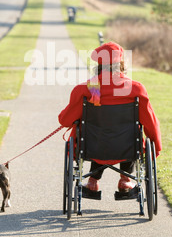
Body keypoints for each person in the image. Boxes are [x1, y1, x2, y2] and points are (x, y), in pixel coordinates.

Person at [58, 41, 162, 198]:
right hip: (127, 147)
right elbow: (150, 122)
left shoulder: (86, 90)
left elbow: (65, 121)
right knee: (130, 134)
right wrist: (156, 146)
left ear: (99, 65)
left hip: (93, 146)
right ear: (121, 64)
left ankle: (92, 181)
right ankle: (126, 179)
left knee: (98, 133)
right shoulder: (136, 89)